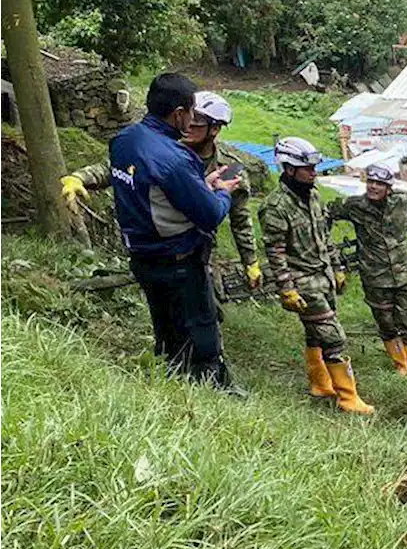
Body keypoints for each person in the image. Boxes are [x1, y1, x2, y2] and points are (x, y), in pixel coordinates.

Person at [107, 73, 243, 394]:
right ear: (179, 113)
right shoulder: (174, 158)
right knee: (201, 335)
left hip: (142, 257)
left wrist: (199, 187)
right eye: (192, 112)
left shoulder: (124, 140)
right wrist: (221, 192)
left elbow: (153, 191)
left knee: (167, 333)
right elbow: (209, 215)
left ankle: (171, 386)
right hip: (178, 261)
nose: (194, 119)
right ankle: (210, 394)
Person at [62, 91, 261, 298]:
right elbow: (116, 167)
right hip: (160, 248)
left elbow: (240, 221)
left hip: (201, 248)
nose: (189, 125)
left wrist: (251, 262)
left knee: (208, 305)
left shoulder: (229, 170)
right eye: (190, 117)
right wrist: (80, 177)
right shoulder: (162, 154)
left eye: (197, 122)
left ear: (215, 129)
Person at [259, 137, 373, 415]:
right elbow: (276, 253)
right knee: (334, 337)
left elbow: (325, 237)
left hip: (323, 276)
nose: (314, 173)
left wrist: (337, 267)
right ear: (288, 170)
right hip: (302, 281)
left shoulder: (313, 195)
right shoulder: (275, 207)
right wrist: (286, 288)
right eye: (307, 168)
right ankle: (348, 398)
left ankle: (320, 383)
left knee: (316, 334)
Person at [327, 163, 407, 377]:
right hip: (375, 277)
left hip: (403, 275)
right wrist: (330, 251)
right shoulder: (354, 205)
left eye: (379, 184)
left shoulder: (401, 201)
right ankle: (401, 368)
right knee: (386, 324)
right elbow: (327, 212)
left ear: (389, 188)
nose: (373, 187)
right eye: (371, 182)